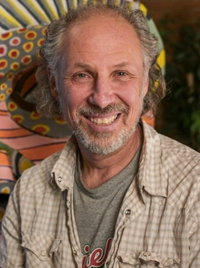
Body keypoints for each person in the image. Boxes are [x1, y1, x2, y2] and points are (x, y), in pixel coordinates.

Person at [0, 3, 200, 268]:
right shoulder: (29, 192)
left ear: (144, 83)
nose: (102, 98)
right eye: (81, 75)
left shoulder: (193, 191)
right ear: (54, 85)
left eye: (120, 73)